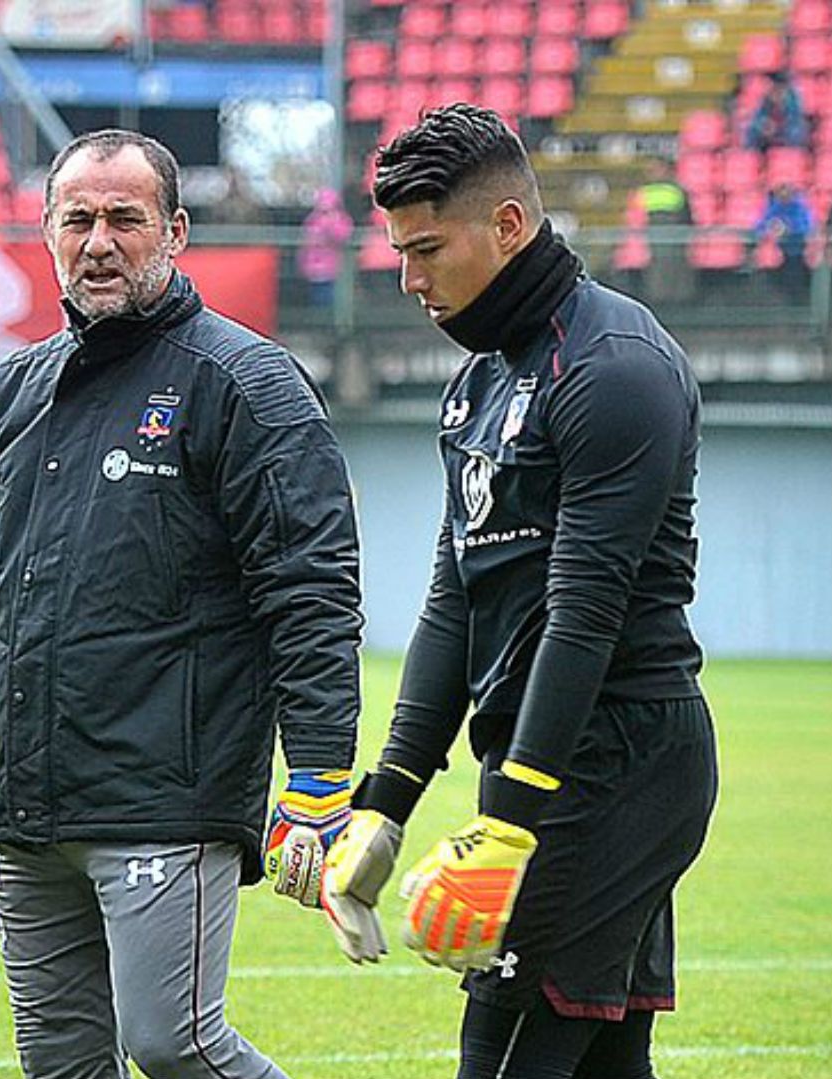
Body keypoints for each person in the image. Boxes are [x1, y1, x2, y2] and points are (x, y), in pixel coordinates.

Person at [0, 129, 364, 1079]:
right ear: (46, 232)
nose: (98, 241)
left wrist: (316, 780)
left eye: (124, 218)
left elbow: (308, 591)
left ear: (175, 231)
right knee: (61, 1064)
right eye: (78, 219)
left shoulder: (245, 383)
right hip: (32, 806)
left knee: (172, 1042)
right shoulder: (12, 391)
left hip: (166, 800)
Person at [322, 104, 715, 1079]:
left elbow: (584, 611)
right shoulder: (479, 384)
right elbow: (455, 597)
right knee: (605, 1064)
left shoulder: (614, 367)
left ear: (505, 226)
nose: (408, 279)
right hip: (557, 764)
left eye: (426, 249)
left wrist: (508, 818)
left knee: (498, 1061)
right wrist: (388, 798)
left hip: (617, 763)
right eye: (398, 253)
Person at [627, 157, 694, 304]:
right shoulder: (644, 192)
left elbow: (687, 218)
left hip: (674, 244)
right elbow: (636, 218)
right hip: (653, 244)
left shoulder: (676, 190)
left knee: (675, 276)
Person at [750, 180, 813, 303]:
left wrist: (788, 227)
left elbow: (806, 226)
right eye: (780, 192)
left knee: (795, 279)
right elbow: (760, 226)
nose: (784, 195)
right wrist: (771, 227)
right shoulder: (774, 208)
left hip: (797, 254)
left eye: (787, 191)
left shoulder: (800, 207)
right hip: (778, 253)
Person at [298, 186, 354, 308]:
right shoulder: (312, 220)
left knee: (332, 301)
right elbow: (306, 243)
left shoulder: (340, 219)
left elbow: (342, 236)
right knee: (318, 300)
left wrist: (330, 225)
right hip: (314, 270)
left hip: (333, 270)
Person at [743, 71, 807, 150]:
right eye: (774, 89)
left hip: (787, 147)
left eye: (780, 90)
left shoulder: (794, 107)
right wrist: (762, 127)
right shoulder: (764, 104)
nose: (776, 93)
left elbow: (797, 131)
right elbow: (754, 127)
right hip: (765, 147)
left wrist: (779, 131)